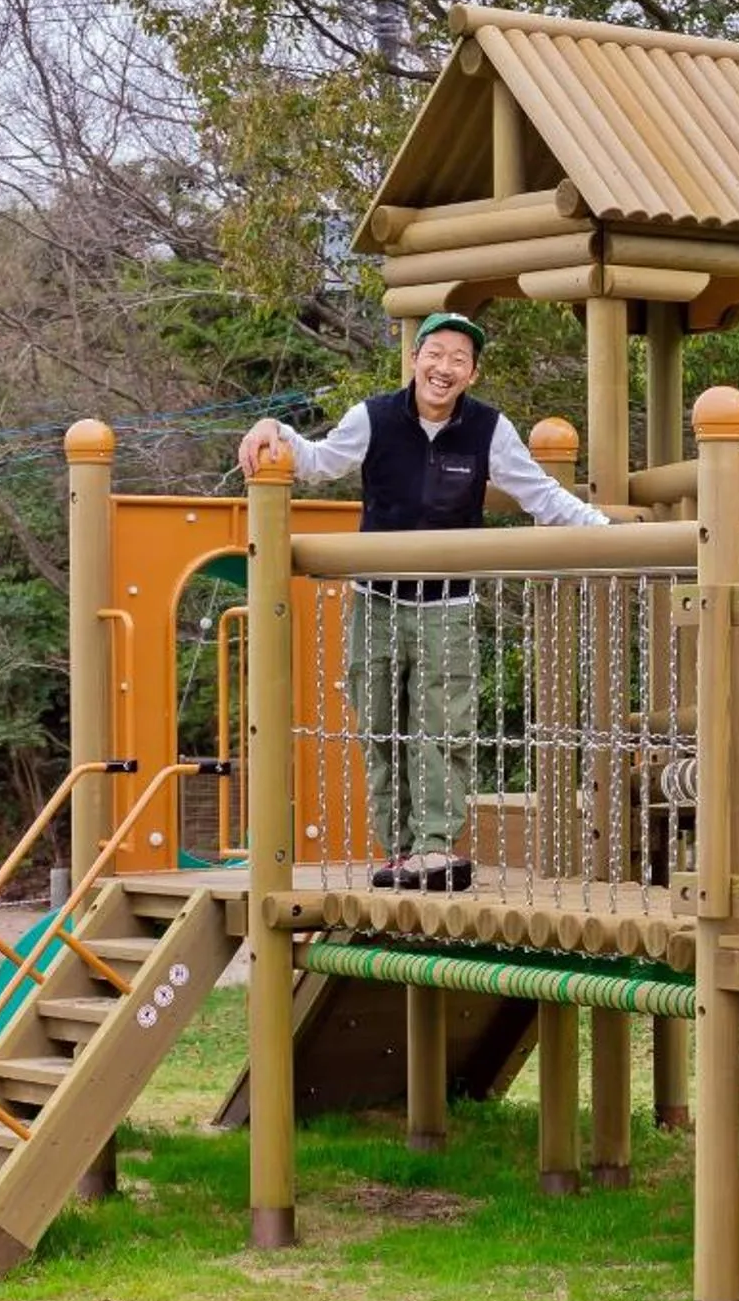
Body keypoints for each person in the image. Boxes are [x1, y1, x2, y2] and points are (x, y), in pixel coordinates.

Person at [237, 311, 608, 890]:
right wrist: (272, 428)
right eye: (434, 354)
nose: (444, 368)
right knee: (380, 725)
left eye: (458, 360)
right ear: (415, 360)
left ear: (472, 373)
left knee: (443, 726)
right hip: (376, 600)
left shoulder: (489, 429)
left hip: (448, 606)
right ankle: (398, 849)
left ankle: (434, 848)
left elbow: (541, 493)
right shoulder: (374, 417)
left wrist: (604, 533)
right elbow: (317, 462)